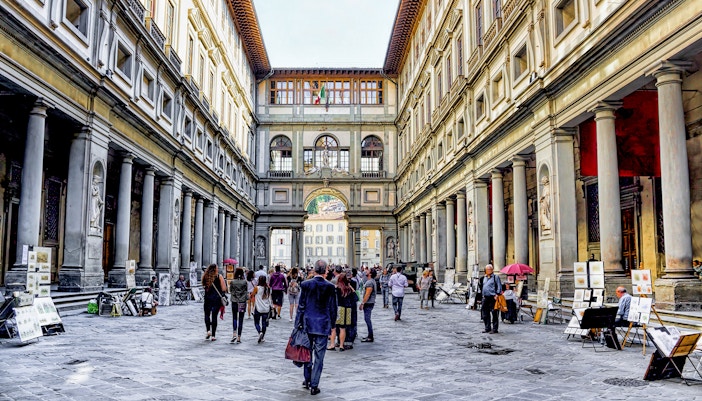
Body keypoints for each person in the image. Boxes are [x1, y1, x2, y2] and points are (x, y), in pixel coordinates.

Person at [295, 260, 337, 396]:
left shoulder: (306, 285)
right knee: (319, 357)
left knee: (307, 353)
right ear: (325, 271)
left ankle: (307, 380)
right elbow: (333, 307)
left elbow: (301, 306)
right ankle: (314, 385)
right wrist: (333, 325)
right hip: (323, 325)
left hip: (308, 324)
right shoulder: (330, 287)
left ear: (313, 270)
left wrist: (297, 324)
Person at [330, 274, 356, 351]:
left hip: (339, 309)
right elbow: (355, 298)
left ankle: (332, 345)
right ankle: (341, 345)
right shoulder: (348, 289)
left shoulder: (336, 288)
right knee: (343, 328)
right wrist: (350, 286)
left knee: (334, 328)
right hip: (347, 310)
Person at [202, 264, 227, 341]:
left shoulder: (205, 276)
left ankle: (208, 330)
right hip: (216, 299)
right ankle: (213, 335)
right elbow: (224, 288)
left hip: (207, 298)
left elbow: (204, 286)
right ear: (215, 269)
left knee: (207, 314)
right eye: (217, 268)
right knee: (214, 316)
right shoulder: (219, 276)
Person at [480, 264, 502, 334]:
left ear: (492, 270)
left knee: (494, 313)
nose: (488, 271)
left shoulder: (496, 277)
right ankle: (487, 328)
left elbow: (499, 286)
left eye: (490, 269)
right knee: (485, 313)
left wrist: (497, 294)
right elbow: (482, 286)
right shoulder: (484, 277)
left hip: (493, 298)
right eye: (487, 269)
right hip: (485, 297)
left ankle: (495, 329)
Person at [229, 268, 248, 343]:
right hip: (242, 301)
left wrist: (236, 297)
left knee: (234, 317)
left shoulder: (232, 282)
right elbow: (245, 291)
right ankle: (239, 337)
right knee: (241, 319)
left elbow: (231, 290)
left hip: (234, 301)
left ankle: (234, 333)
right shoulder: (244, 282)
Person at [359, 268, 377, 342]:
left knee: (367, 319)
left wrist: (363, 303)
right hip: (370, 302)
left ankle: (370, 336)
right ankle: (370, 335)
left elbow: (367, 294)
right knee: (367, 319)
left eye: (368, 271)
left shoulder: (369, 282)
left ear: (370, 274)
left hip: (368, 303)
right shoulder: (371, 281)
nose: (366, 271)